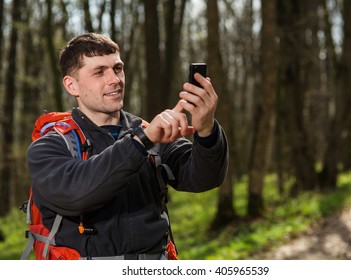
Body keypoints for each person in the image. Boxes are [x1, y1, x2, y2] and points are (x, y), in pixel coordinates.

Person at [26, 33, 228, 260]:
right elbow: (77, 193)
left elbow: (205, 178)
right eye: (99, 72)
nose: (115, 79)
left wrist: (207, 130)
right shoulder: (50, 145)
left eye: (118, 68)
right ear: (72, 85)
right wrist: (140, 142)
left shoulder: (150, 132)